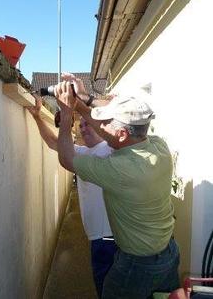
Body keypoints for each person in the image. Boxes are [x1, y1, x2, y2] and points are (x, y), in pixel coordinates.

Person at [52, 74, 180, 299]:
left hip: (137, 265)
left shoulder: (120, 168)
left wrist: (66, 115)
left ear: (122, 134)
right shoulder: (159, 147)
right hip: (168, 254)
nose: (102, 126)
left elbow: (67, 158)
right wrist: (83, 102)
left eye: (108, 123)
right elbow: (112, 128)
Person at [26, 97, 118, 297]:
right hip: (97, 237)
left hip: (110, 236)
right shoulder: (81, 152)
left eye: (88, 123)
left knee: (109, 290)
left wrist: (85, 101)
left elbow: (113, 109)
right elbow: (53, 142)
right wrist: (37, 117)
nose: (83, 127)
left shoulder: (111, 149)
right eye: (81, 124)